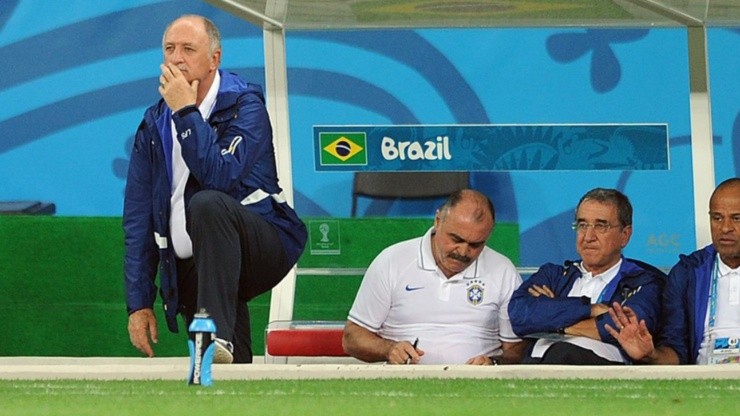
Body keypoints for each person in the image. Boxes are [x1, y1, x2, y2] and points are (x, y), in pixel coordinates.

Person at [123, 15, 307, 364]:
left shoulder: (245, 106)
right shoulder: (152, 124)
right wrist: (139, 301)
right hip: (196, 263)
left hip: (262, 244)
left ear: (214, 60)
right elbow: (138, 218)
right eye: (169, 49)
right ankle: (224, 347)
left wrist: (186, 112)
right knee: (222, 371)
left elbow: (219, 176)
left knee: (207, 204)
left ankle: (213, 333)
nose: (176, 58)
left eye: (188, 49)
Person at [342, 189, 526, 365]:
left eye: (476, 244)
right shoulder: (392, 261)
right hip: (403, 385)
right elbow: (352, 337)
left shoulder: (503, 271)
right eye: (456, 239)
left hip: (479, 387)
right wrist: (389, 349)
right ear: (438, 221)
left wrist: (493, 362)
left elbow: (516, 349)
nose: (463, 251)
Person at [508, 188, 664, 364]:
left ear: (625, 235)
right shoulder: (553, 275)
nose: (588, 237)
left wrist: (550, 319)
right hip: (536, 366)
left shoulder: (643, 282)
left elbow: (623, 327)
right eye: (582, 225)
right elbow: (519, 315)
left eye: (600, 226)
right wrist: (591, 309)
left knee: (563, 352)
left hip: (600, 374)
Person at [607, 178, 740, 364]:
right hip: (706, 380)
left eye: (737, 218)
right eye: (717, 218)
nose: (725, 228)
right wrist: (650, 355)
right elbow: (676, 350)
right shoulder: (688, 272)